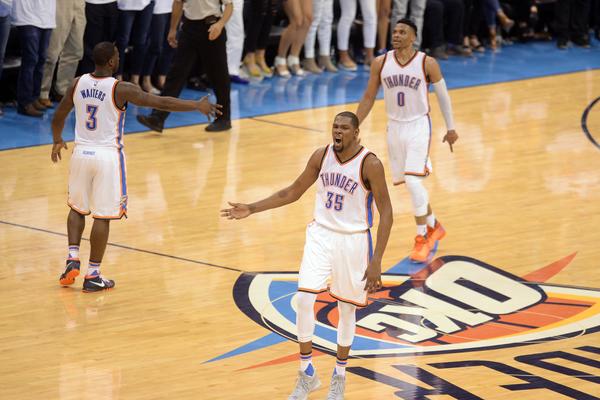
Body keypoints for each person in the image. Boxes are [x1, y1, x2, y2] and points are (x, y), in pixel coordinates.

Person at [221, 111, 393, 399]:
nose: (337, 131)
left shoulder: (370, 164)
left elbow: (387, 212)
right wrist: (252, 208)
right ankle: (307, 373)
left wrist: (377, 260)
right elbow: (292, 191)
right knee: (303, 299)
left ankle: (339, 376)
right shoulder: (321, 155)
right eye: (335, 127)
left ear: (356, 133)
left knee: (346, 309)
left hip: (353, 241)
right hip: (320, 235)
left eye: (344, 128)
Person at [51, 42, 221, 292]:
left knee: (77, 208)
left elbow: (59, 114)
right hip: (107, 156)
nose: (119, 59)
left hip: (81, 153)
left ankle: (72, 258)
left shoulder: (77, 83)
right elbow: (162, 103)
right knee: (103, 216)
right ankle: (93, 275)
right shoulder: (122, 88)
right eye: (117, 56)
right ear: (111, 62)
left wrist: (57, 139)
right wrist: (195, 105)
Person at [356, 18, 458, 262]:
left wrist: (451, 128)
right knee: (411, 185)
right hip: (394, 127)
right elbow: (369, 96)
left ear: (413, 37)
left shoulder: (427, 63)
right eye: (394, 31)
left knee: (413, 181)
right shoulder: (380, 63)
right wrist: (354, 124)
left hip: (418, 125)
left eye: (402, 32)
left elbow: (443, 96)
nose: (396, 35)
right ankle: (434, 225)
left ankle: (422, 237)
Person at [136, 0, 233, 132]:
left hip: (212, 26)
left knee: (219, 76)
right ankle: (158, 117)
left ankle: (224, 119)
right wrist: (172, 29)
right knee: (175, 74)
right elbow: (178, 3)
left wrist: (220, 24)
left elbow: (229, 6)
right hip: (189, 28)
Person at [12, 0, 56, 117]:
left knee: (41, 60)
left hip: (47, 17)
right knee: (30, 60)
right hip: (27, 16)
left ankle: (34, 97)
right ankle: (24, 103)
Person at [39, 0, 86, 107]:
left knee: (75, 51)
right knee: (52, 52)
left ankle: (63, 90)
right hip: (61, 4)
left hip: (79, 4)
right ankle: (42, 92)